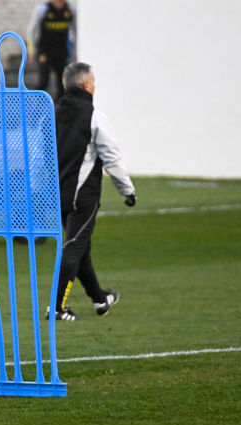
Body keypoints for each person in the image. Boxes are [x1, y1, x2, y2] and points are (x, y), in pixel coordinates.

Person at [48, 62, 136, 321]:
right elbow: (112, 157)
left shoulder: (51, 112)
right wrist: (127, 189)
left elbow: (42, 153)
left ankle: (100, 299)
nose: (95, 86)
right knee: (75, 245)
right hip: (82, 196)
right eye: (94, 82)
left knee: (81, 246)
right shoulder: (95, 115)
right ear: (86, 85)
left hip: (58, 194)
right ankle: (56, 308)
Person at [26, 0, 76, 100]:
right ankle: (37, 108)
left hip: (61, 50)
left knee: (62, 82)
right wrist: (31, 52)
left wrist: (75, 52)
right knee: (43, 81)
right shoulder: (43, 9)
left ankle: (59, 110)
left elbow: (75, 31)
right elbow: (31, 30)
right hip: (45, 50)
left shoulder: (70, 9)